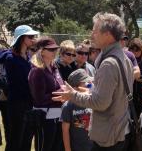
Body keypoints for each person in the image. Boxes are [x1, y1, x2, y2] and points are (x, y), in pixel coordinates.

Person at [52, 12, 134, 151]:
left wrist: (73, 95)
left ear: (107, 34)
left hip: (108, 138)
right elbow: (113, 94)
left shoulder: (109, 64)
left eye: (95, 31)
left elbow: (100, 103)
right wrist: (91, 88)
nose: (91, 35)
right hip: (118, 131)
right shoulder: (123, 58)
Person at [0, 25, 39, 151]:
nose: (33, 39)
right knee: (15, 141)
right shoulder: (11, 58)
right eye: (30, 36)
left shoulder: (28, 57)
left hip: (29, 104)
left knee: (26, 141)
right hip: (17, 105)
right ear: (22, 38)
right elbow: (15, 82)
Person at [28, 37, 64, 151]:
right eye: (51, 49)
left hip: (58, 116)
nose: (54, 52)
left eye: (55, 49)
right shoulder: (37, 71)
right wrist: (59, 94)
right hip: (45, 117)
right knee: (44, 148)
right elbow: (39, 99)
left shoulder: (54, 68)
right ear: (41, 51)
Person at [61, 69, 93, 151]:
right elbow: (65, 131)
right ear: (75, 87)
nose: (89, 84)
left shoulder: (91, 101)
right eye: (86, 83)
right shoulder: (68, 106)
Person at [128, 38, 142, 115]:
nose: (134, 52)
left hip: (140, 91)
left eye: (137, 50)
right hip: (129, 90)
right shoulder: (127, 60)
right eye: (132, 49)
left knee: (138, 111)